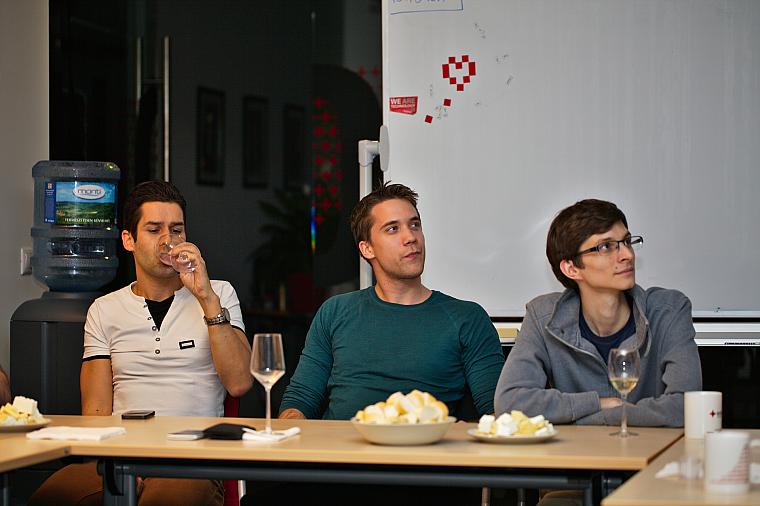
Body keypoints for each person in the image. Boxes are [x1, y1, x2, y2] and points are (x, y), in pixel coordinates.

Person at [29, 180, 252, 506]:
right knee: (50, 497)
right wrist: (116, 464)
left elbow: (240, 382)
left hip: (193, 459)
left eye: (176, 230)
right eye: (154, 229)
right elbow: (96, 412)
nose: (168, 241)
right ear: (128, 240)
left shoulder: (218, 294)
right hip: (121, 456)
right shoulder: (104, 310)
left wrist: (205, 297)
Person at [279, 182, 505, 422]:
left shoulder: (467, 317)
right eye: (393, 229)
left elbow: (498, 412)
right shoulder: (334, 312)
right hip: (341, 444)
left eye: (414, 225)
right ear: (367, 249)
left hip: (425, 444)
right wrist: (290, 430)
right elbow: (300, 400)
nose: (411, 237)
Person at [495, 199, 702, 427]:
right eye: (606, 247)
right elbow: (509, 402)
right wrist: (599, 403)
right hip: (579, 451)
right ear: (572, 268)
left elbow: (685, 407)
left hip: (652, 449)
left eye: (626, 241)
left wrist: (597, 417)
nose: (627, 254)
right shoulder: (542, 316)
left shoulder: (669, 310)